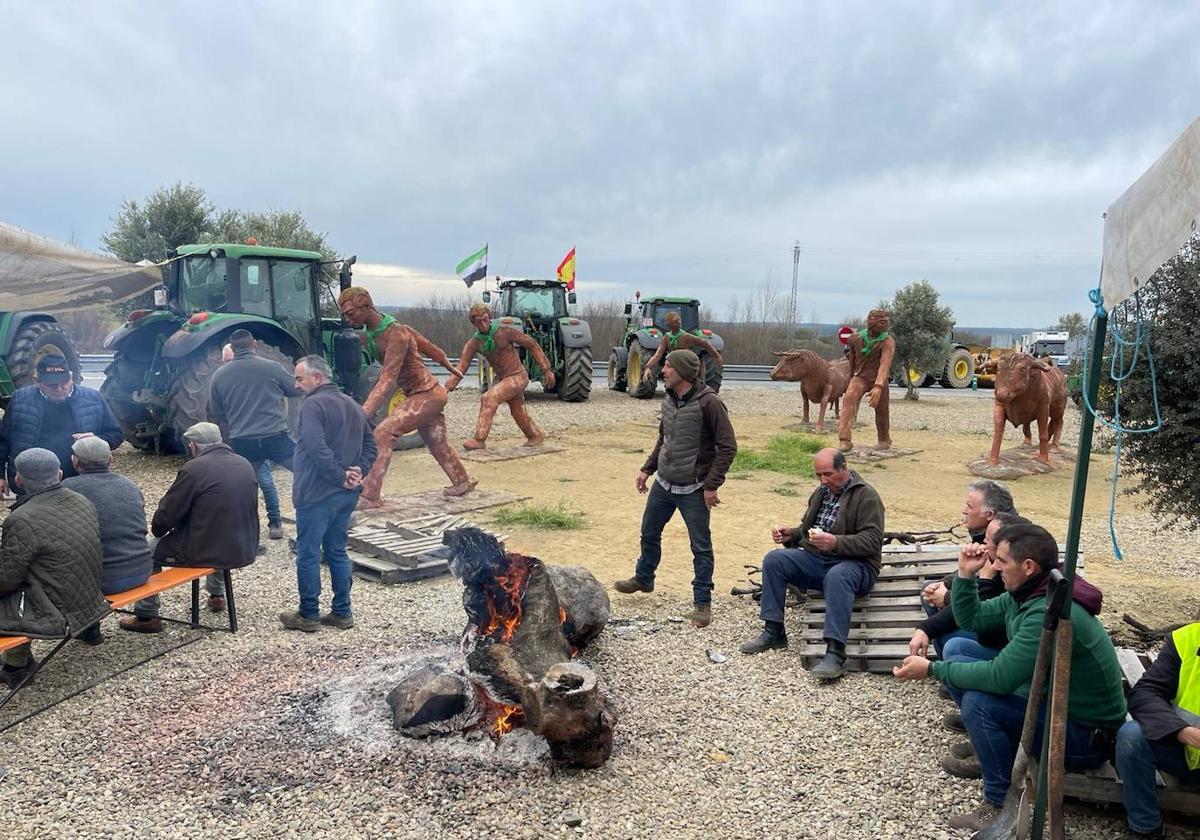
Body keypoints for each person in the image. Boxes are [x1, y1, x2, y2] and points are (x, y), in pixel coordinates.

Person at [892, 522, 1125, 833]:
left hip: (1084, 734)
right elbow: (972, 618)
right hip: (1055, 706)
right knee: (959, 650)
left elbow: (1000, 677)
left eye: (1001, 561)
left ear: (1028, 566)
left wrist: (932, 669)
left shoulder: (1044, 611)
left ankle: (1000, 802)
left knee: (979, 702)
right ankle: (988, 747)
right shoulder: (1030, 592)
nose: (995, 566)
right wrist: (965, 576)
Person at [613, 349, 736, 628]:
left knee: (701, 547)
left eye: (668, 366)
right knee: (649, 533)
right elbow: (664, 439)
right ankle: (644, 578)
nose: (663, 370)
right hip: (664, 484)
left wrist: (711, 484)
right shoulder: (668, 400)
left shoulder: (710, 404)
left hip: (694, 489)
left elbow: (728, 447)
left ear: (683, 372)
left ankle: (702, 603)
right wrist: (647, 469)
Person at [739, 447, 884, 680]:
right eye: (819, 475)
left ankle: (835, 652)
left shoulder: (866, 496)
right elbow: (808, 530)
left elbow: (873, 541)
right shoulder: (821, 493)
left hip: (857, 565)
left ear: (844, 468)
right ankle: (773, 631)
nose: (823, 480)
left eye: (828, 474)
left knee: (838, 575)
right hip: (819, 560)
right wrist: (792, 535)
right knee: (774, 560)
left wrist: (836, 542)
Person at [336, 287, 475, 504]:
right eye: (344, 314)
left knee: (383, 432)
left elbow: (388, 378)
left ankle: (370, 494)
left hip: (427, 394)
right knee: (437, 442)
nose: (347, 319)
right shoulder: (374, 333)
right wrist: (450, 366)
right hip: (420, 395)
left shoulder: (396, 332)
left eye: (350, 313)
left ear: (367, 307)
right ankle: (462, 481)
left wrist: (362, 415)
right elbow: (431, 349)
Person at [282, 355, 377, 632]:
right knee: (337, 551)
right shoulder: (352, 404)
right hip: (345, 496)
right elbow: (372, 445)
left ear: (317, 378)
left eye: (300, 378)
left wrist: (340, 475)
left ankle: (308, 614)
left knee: (308, 553)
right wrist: (358, 471)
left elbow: (314, 446)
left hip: (316, 494)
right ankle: (341, 612)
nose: (296, 385)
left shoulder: (312, 405)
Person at [0, 448, 108, 688]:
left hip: (58, 606)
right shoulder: (82, 500)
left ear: (18, 479)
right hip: (89, 596)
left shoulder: (22, 518)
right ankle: (90, 631)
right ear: (59, 474)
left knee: (10, 598)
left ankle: (15, 667)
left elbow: (7, 580)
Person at [148, 422, 259, 614]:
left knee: (145, 550)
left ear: (193, 446)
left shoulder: (194, 469)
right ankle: (217, 595)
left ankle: (147, 615)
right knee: (216, 526)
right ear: (220, 440)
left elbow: (165, 517)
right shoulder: (244, 463)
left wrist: (158, 529)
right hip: (243, 547)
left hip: (205, 550)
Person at [62, 437, 159, 635]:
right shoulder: (129, 485)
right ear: (110, 460)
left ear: (75, 461)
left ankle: (89, 630)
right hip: (141, 569)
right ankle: (148, 614)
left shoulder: (67, 490)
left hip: (102, 581)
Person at [209, 329, 299, 539]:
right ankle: (285, 523)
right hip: (276, 438)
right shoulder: (272, 368)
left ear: (232, 348)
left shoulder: (219, 375)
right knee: (307, 470)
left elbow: (218, 414)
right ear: (254, 345)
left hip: (243, 442)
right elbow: (295, 389)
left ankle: (248, 537)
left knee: (243, 488)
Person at [1115, 621, 1200, 838]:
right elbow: (1146, 693)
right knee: (1132, 737)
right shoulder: (1187, 639)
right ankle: (1145, 828)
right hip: (1188, 753)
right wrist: (1182, 731)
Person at [0, 352, 123, 497]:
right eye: (52, 385)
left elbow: (117, 434)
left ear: (71, 377)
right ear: (36, 381)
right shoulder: (20, 400)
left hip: (80, 482)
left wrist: (97, 439)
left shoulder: (93, 398)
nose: (58, 389)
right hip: (32, 483)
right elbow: (3, 440)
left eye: (63, 383)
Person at [447, 303, 556, 450]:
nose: (482, 322)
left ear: (489, 317)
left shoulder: (504, 332)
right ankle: (535, 436)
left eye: (484, 317)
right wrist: (448, 385)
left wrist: (546, 369)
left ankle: (479, 440)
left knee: (489, 398)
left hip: (518, 376)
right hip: (506, 379)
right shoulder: (474, 343)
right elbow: (462, 367)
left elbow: (532, 344)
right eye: (478, 320)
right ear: (473, 323)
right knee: (517, 411)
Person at [836, 308, 895, 453]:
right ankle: (844, 439)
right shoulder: (855, 339)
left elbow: (885, 364)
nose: (886, 325)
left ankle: (884, 438)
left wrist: (879, 386)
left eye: (887, 322)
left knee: (882, 409)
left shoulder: (887, 342)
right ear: (871, 322)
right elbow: (852, 359)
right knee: (849, 398)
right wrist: (850, 377)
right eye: (882, 322)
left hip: (878, 379)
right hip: (860, 376)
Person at [641, 310, 723, 390]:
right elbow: (657, 355)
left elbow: (705, 343)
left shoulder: (686, 336)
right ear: (669, 324)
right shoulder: (667, 337)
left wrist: (716, 356)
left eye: (678, 321)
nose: (678, 323)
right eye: (675, 322)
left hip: (685, 367)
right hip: (674, 366)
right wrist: (648, 367)